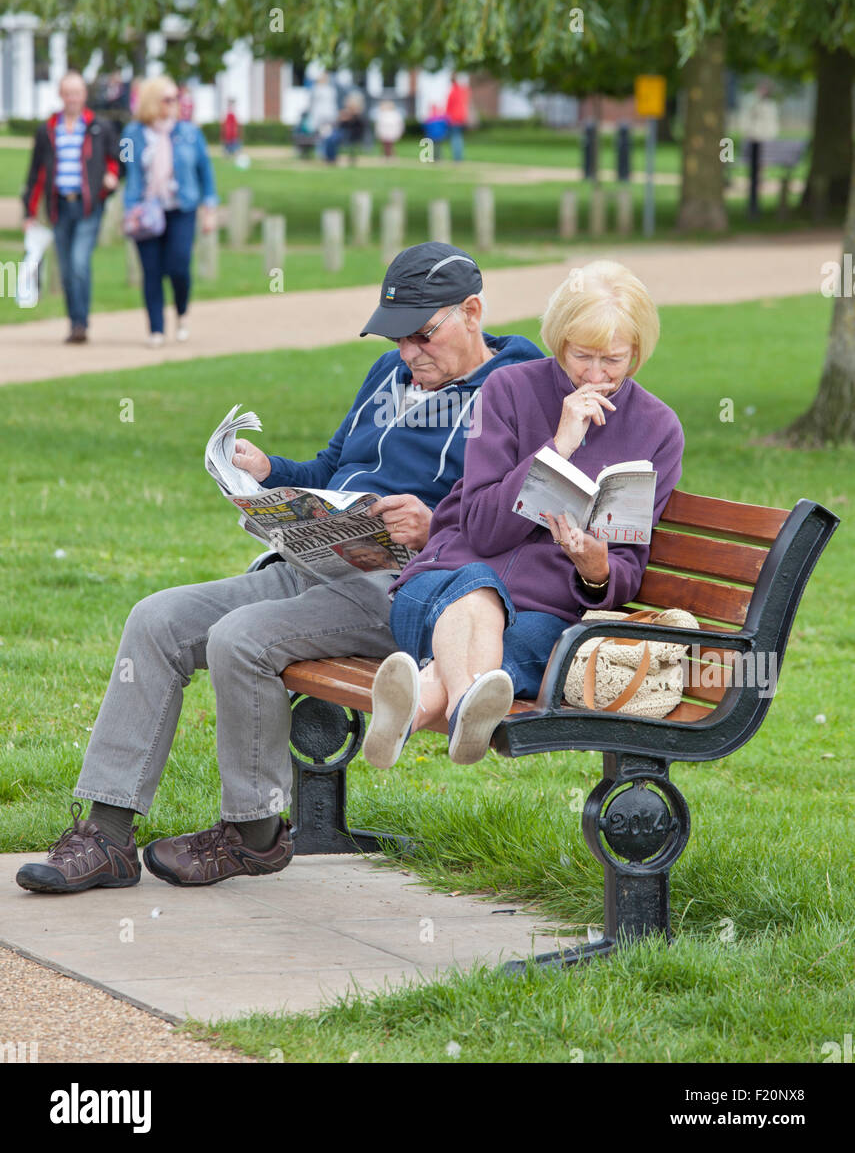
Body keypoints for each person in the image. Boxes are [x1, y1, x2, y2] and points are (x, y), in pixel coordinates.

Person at [15, 243, 542, 895]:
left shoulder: (520, 389)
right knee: (155, 619)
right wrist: (269, 476)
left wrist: (437, 526)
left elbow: (520, 516)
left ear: (472, 311)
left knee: (243, 638)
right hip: (317, 559)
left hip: (406, 586)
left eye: (422, 335)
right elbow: (331, 470)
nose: (408, 352)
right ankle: (107, 836)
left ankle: (254, 836)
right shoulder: (387, 375)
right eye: (396, 337)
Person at [362, 260, 685, 770]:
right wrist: (556, 449)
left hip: (547, 613)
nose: (595, 375)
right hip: (443, 582)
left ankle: (420, 702)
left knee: (513, 656)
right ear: (559, 342)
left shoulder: (658, 430)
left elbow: (625, 571)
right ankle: (459, 701)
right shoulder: (508, 390)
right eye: (581, 357)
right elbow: (484, 530)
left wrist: (595, 567)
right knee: (478, 587)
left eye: (614, 360)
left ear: (638, 353)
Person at [21, 71, 120, 343]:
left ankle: (81, 322)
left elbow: (125, 148)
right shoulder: (47, 130)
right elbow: (35, 173)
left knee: (79, 262)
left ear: (84, 95)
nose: (72, 98)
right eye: (68, 93)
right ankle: (75, 322)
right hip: (59, 206)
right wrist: (29, 212)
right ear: (61, 95)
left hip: (89, 205)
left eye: (77, 93)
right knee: (65, 267)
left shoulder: (101, 126)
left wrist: (116, 171)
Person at [122, 75, 219, 347]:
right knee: (151, 271)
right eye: (168, 99)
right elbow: (126, 170)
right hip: (146, 210)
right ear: (152, 101)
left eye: (177, 98)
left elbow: (205, 172)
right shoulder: (132, 134)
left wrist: (209, 208)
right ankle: (156, 329)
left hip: (181, 207)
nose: (175, 103)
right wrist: (128, 206)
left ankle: (182, 312)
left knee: (178, 266)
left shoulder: (189, 133)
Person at [445, 74, 470, 162]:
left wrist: (447, 117)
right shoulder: (462, 91)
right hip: (461, 117)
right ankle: (459, 157)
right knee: (459, 137)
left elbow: (449, 107)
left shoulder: (452, 92)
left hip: (453, 118)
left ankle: (457, 158)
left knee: (455, 138)